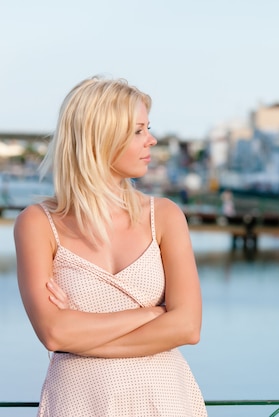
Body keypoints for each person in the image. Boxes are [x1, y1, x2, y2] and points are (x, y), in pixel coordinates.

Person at [13, 76, 208, 416]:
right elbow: (55, 334)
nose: (152, 140)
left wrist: (82, 338)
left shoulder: (164, 216)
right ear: (99, 138)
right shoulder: (37, 223)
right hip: (79, 403)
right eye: (138, 130)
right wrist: (154, 313)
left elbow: (187, 327)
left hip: (164, 400)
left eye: (148, 128)